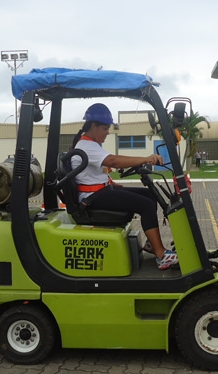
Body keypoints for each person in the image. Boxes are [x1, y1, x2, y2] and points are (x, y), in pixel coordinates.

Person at [71, 103, 178, 270]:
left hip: (100, 192)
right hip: (93, 199)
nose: (108, 132)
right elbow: (112, 161)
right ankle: (161, 254)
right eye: (105, 128)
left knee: (149, 194)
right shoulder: (86, 146)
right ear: (93, 126)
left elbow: (93, 174)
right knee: (146, 205)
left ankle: (152, 244)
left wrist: (112, 183)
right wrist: (145, 159)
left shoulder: (90, 144)